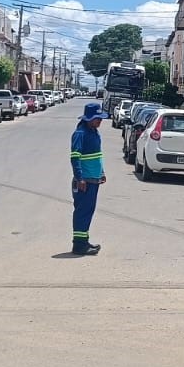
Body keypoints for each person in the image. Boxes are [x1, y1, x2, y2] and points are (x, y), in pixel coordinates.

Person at [68, 102, 107, 256]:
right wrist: (80, 178)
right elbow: (75, 158)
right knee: (82, 212)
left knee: (88, 212)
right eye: (98, 118)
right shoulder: (80, 133)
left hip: (94, 179)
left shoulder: (94, 132)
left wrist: (101, 172)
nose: (100, 120)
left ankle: (84, 241)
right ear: (89, 118)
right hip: (85, 181)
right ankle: (78, 245)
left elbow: (97, 155)